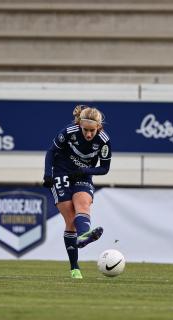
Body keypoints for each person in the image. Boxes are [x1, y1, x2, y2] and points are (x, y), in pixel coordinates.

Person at [42, 105, 112, 279]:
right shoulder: (69, 132)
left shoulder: (104, 140)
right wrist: (47, 174)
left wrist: (85, 171)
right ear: (80, 124)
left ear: (99, 127)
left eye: (92, 130)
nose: (88, 134)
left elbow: (104, 169)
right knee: (71, 220)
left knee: (83, 205)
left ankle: (84, 236)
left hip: (82, 175)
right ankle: (75, 267)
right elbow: (51, 152)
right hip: (61, 173)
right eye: (85, 130)